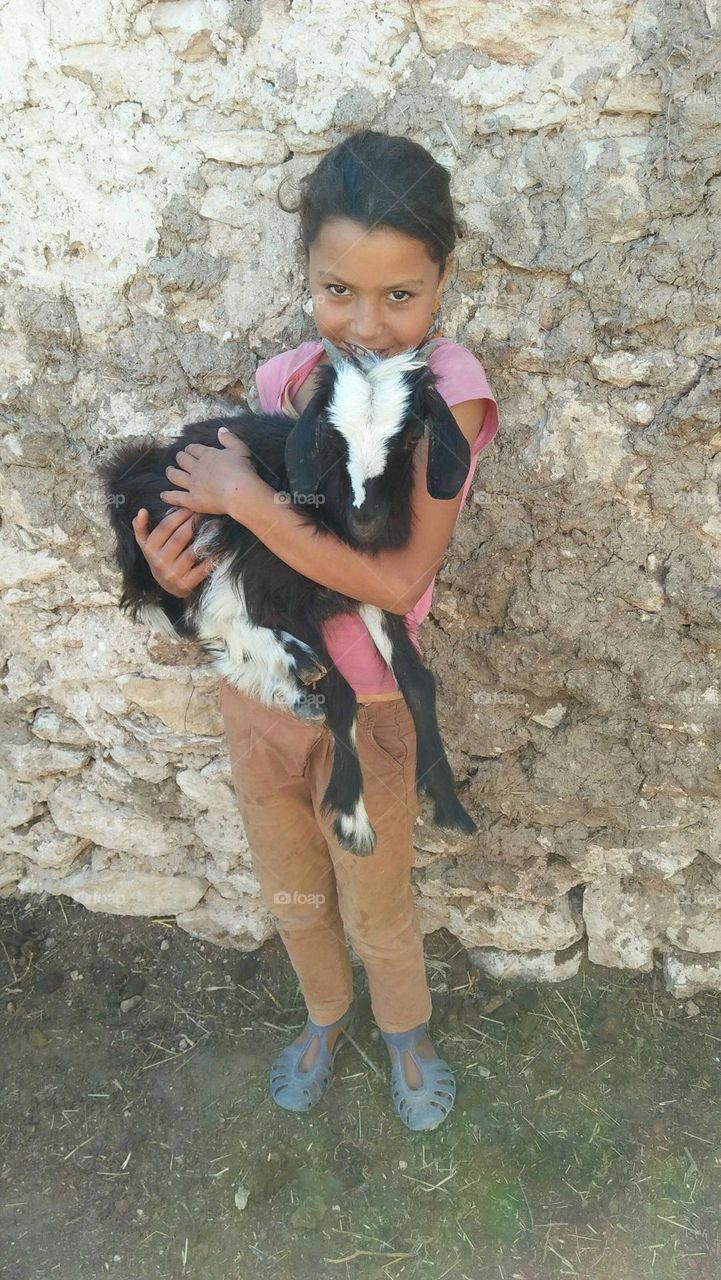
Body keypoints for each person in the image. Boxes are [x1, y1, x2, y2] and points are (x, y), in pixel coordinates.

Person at [131, 130, 499, 1131]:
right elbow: (258, 564)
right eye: (339, 289)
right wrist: (183, 576)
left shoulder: (447, 398)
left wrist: (248, 500)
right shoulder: (282, 381)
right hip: (256, 699)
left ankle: (404, 1031)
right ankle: (324, 1013)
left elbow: (399, 573)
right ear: (307, 275)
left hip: (366, 711)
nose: (367, 324)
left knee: (375, 890)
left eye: (400, 295)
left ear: (442, 282)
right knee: (289, 878)